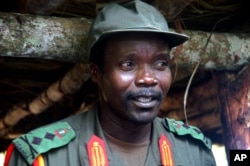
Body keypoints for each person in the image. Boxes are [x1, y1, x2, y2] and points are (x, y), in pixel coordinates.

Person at [4, 0, 216, 165]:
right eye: (128, 64)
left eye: (161, 63)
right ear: (96, 73)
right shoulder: (41, 157)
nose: (148, 78)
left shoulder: (194, 150)